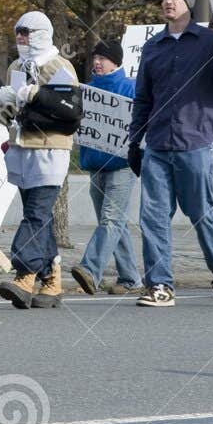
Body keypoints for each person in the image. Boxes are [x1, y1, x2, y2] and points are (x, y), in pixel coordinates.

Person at [125, 0, 213, 308]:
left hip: (195, 142)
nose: (169, 1)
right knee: (151, 216)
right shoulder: (153, 47)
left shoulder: (211, 42)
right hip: (157, 143)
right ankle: (160, 285)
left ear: (189, 3)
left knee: (202, 212)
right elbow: (143, 99)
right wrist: (134, 140)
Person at [0, 11, 80, 309]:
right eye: (18, 31)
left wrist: (37, 95)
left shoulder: (59, 66)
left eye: (27, 31)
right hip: (22, 148)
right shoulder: (17, 66)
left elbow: (70, 110)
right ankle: (52, 278)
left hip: (50, 149)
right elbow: (9, 114)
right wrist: (1, 99)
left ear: (42, 33)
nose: (20, 37)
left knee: (36, 213)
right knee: (39, 216)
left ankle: (25, 272)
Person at [70, 40, 141, 296]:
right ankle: (131, 278)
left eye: (103, 58)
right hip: (95, 164)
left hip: (122, 166)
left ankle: (90, 270)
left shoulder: (131, 88)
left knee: (111, 219)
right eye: (95, 57)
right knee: (111, 222)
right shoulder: (86, 90)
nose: (97, 62)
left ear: (116, 61)